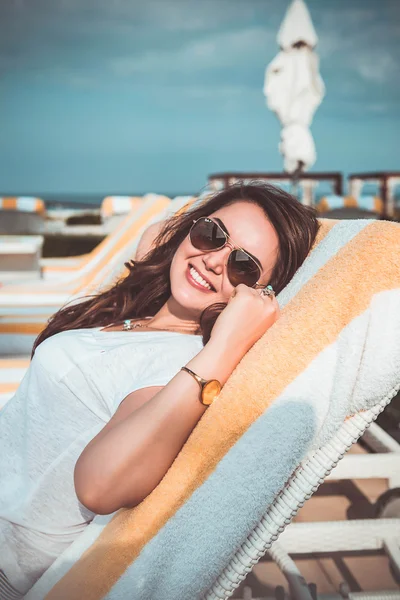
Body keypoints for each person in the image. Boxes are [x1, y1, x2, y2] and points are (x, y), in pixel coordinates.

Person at [0, 183, 320, 597]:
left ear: (256, 295)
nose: (213, 261)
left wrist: (226, 344)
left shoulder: (178, 364)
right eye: (212, 233)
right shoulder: (141, 311)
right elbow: (155, 232)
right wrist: (185, 237)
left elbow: (100, 486)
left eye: (244, 265)